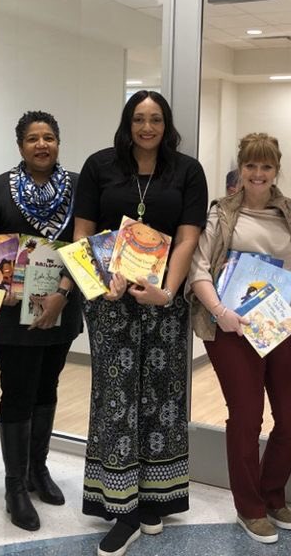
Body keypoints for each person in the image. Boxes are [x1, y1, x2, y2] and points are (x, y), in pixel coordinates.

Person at [74, 91, 207, 556]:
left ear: (166, 124)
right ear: (127, 122)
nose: (146, 127)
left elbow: (189, 238)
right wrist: (99, 281)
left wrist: (167, 292)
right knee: (116, 398)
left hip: (165, 302)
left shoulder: (187, 170)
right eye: (138, 119)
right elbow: (82, 233)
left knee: (163, 393)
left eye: (155, 119)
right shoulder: (99, 166)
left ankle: (155, 497)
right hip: (110, 302)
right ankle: (122, 505)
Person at [186, 133, 291, 544]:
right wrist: (221, 313)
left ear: (276, 170)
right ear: (240, 169)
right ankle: (249, 506)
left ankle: (272, 493)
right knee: (246, 416)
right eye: (251, 166)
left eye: (266, 167)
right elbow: (199, 270)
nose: (258, 174)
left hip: (280, 325)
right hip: (230, 327)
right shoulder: (220, 215)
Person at [0, 110, 83, 532]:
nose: (43, 145)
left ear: (59, 143)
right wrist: (5, 287)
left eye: (50, 137)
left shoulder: (78, 187)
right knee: (17, 392)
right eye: (33, 138)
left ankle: (38, 470)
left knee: (48, 387)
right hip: (11, 314)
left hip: (62, 304)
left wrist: (60, 294)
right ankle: (15, 486)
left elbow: (84, 243)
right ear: (20, 145)